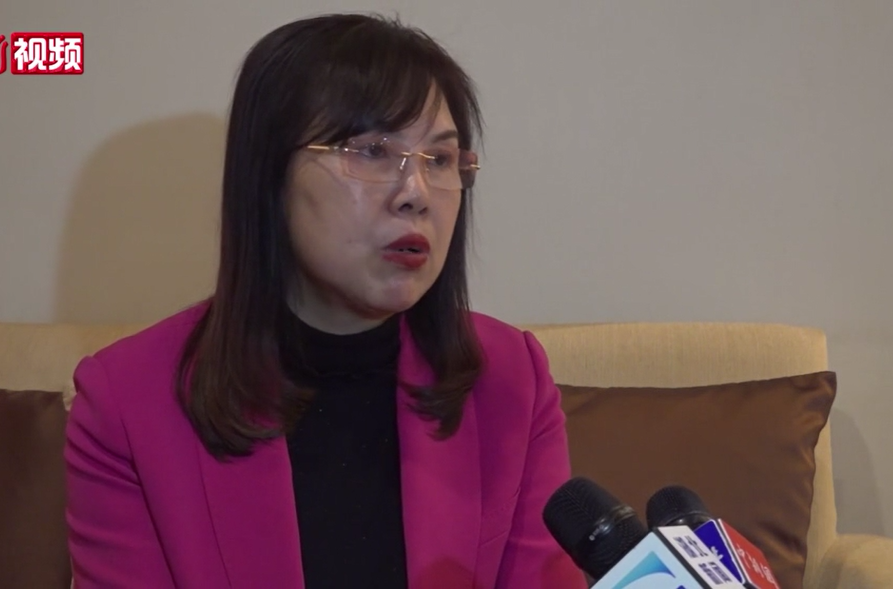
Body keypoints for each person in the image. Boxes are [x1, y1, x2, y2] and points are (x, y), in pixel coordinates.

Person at [65, 12, 585, 589]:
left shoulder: (511, 379)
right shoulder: (128, 403)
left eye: (439, 160)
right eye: (371, 151)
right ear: (269, 175)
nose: (415, 194)